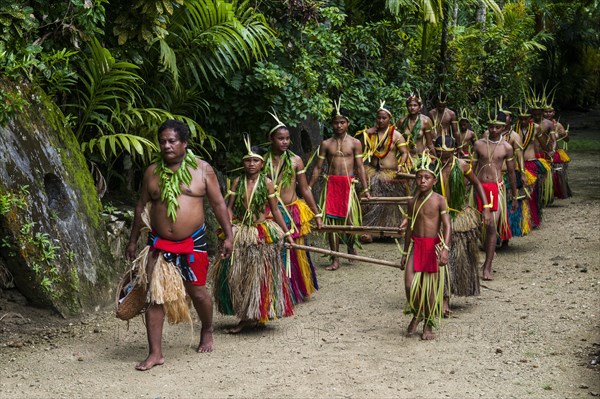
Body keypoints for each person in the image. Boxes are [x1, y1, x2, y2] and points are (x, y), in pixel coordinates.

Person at [126, 119, 234, 371]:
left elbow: (218, 204)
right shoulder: (152, 172)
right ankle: (155, 353)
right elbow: (141, 206)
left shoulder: (202, 170)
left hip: (193, 242)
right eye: (162, 141)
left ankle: (207, 329)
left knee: (197, 292)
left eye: (172, 141)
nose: (167, 146)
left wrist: (228, 236)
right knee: (155, 296)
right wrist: (132, 240)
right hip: (159, 244)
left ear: (184, 143)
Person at [210, 139, 295, 333]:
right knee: (239, 274)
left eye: (255, 160)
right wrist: (228, 228)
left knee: (259, 275)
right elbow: (229, 208)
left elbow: (275, 210)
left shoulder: (267, 183)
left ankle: (255, 314)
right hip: (240, 231)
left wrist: (288, 234)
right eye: (247, 160)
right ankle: (247, 315)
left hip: (260, 232)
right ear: (243, 163)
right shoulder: (238, 182)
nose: (251, 164)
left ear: (261, 163)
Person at [263, 112, 322, 303]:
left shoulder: (296, 160)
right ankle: (278, 290)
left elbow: (304, 189)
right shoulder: (261, 162)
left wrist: (317, 214)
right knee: (275, 252)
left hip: (293, 210)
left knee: (296, 251)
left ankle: (296, 290)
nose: (285, 142)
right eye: (280, 138)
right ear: (271, 139)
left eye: (287, 138)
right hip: (271, 213)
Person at [433, 135, 491, 316]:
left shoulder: (462, 165)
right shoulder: (430, 165)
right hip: (435, 216)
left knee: (453, 259)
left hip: (457, 215)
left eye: (447, 154)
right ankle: (437, 295)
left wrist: (487, 208)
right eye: (440, 154)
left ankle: (445, 298)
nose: (444, 158)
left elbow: (477, 184)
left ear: (454, 151)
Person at [308, 101, 370, 271]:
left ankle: (350, 247)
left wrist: (365, 190)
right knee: (331, 223)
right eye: (336, 122)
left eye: (342, 122)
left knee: (350, 219)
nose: (339, 125)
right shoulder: (326, 144)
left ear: (347, 123)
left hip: (349, 185)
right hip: (332, 186)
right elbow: (318, 168)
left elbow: (360, 167)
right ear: (332, 124)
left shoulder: (355, 143)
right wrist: (309, 187)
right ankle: (335, 258)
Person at [400, 152, 451, 340]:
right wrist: (405, 252)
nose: (422, 181)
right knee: (409, 284)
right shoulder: (412, 201)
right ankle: (418, 312)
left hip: (433, 247)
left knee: (430, 289)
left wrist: (445, 248)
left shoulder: (439, 199)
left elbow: (447, 225)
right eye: (419, 177)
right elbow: (409, 229)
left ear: (434, 180)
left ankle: (428, 323)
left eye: (427, 177)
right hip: (416, 246)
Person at [472, 111, 518, 281]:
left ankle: (488, 265)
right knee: (476, 227)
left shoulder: (507, 147)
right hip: (479, 188)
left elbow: (512, 172)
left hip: (496, 189)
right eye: (491, 126)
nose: (493, 129)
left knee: (491, 227)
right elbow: (471, 170)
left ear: (503, 127)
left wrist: (514, 196)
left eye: (497, 127)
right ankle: (473, 261)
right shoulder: (478, 144)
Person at [357, 101, 410, 243]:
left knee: (390, 204)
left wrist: (401, 164)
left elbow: (404, 153)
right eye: (378, 118)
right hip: (373, 172)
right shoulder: (370, 133)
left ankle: (388, 231)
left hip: (391, 174)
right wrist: (365, 135)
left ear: (389, 119)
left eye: (384, 118)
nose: (380, 120)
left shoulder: (397, 135)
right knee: (371, 201)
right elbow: (358, 149)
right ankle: (369, 230)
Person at [517, 105, 546, 229]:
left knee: (532, 193)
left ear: (530, 117)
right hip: (518, 165)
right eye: (521, 118)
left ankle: (533, 219)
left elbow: (542, 143)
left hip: (531, 162)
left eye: (526, 119)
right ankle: (522, 220)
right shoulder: (514, 128)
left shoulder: (536, 128)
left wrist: (549, 152)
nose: (523, 121)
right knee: (519, 193)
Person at [542, 105, 572, 199]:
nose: (548, 114)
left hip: (555, 153)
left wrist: (564, 134)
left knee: (557, 174)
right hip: (543, 152)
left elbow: (567, 140)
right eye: (546, 112)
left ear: (554, 113)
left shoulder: (558, 125)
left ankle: (555, 193)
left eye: (550, 112)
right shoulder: (539, 124)